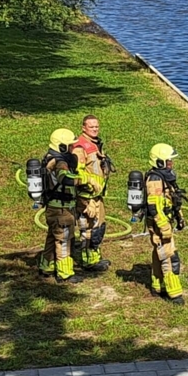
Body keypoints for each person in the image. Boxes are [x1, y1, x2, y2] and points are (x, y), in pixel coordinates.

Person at [37, 129, 85, 284]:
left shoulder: (49, 158)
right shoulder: (60, 162)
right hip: (62, 210)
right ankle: (65, 274)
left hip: (53, 207)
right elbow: (65, 179)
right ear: (62, 146)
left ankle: (47, 267)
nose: (72, 149)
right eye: (70, 146)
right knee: (64, 240)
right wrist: (84, 179)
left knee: (52, 237)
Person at [71, 115, 114, 272]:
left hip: (97, 195)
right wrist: (85, 198)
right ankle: (87, 261)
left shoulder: (96, 144)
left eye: (97, 126)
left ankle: (95, 258)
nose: (95, 129)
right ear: (83, 128)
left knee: (98, 227)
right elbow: (77, 174)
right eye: (91, 127)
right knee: (88, 229)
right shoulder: (80, 148)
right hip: (86, 197)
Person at [145, 143, 185, 305]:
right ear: (160, 162)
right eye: (168, 161)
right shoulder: (154, 180)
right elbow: (154, 207)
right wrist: (164, 227)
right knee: (169, 257)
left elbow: (173, 200)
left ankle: (158, 285)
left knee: (159, 254)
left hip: (166, 220)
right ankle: (174, 293)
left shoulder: (165, 178)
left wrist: (179, 217)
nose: (171, 164)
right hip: (159, 224)